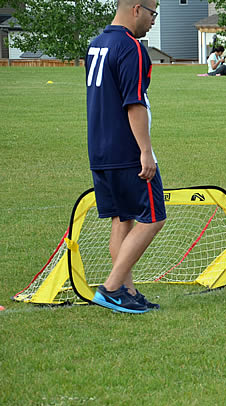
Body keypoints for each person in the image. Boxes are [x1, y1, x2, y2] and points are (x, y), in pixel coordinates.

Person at [85, 0, 166, 313]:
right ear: (137, 9)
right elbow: (134, 103)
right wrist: (145, 151)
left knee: (124, 219)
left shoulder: (97, 44)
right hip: (127, 151)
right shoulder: (131, 47)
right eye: (153, 12)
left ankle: (127, 291)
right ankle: (111, 287)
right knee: (154, 218)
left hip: (100, 149)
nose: (153, 21)